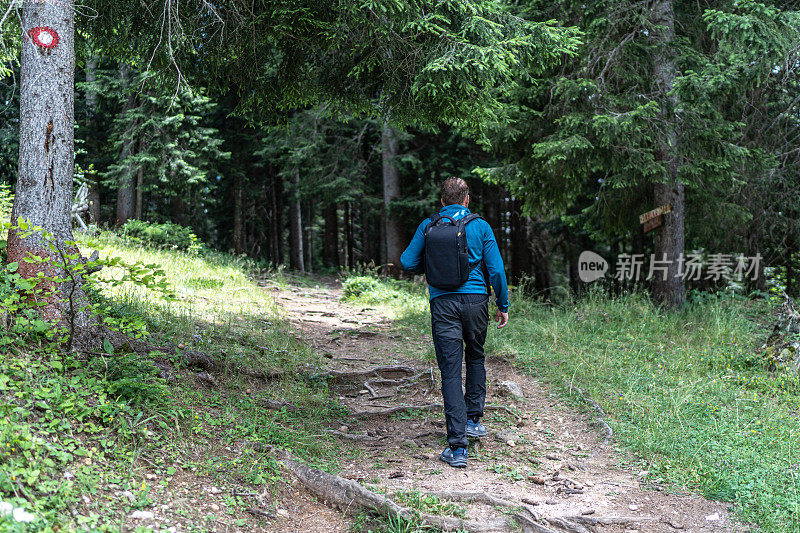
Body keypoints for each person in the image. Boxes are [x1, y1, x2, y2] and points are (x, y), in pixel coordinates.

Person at [400, 177, 509, 468]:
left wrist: (437, 264)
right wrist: (503, 304)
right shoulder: (480, 226)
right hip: (476, 303)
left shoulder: (429, 225)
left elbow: (407, 262)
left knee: (449, 370)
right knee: (475, 357)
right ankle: (473, 420)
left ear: (441, 200)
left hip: (443, 304)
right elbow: (496, 270)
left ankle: (458, 448)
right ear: (467, 199)